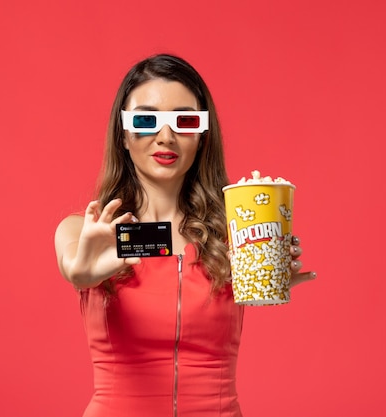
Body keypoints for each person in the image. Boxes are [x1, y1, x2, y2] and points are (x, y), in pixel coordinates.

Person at [54, 53, 316, 417]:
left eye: (185, 120)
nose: (166, 136)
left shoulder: (234, 234)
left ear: (203, 136)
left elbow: (257, 288)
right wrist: (84, 271)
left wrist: (266, 270)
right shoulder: (85, 231)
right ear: (123, 135)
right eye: (146, 120)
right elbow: (75, 266)